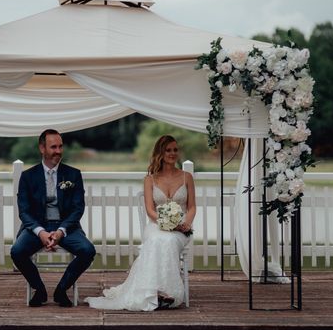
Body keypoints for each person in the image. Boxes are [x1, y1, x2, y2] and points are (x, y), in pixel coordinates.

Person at [86, 135, 195, 311]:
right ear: (160, 152)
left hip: (181, 229)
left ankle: (165, 291)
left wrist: (186, 224)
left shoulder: (186, 177)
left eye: (175, 149)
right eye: (168, 150)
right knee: (158, 239)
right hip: (156, 226)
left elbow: (191, 207)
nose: (172, 153)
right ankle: (158, 292)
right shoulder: (150, 179)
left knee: (168, 241)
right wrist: (165, 223)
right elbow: (150, 210)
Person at [11, 129, 96, 307]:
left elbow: (77, 208)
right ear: (42, 148)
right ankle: (39, 290)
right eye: (53, 147)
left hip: (66, 227)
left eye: (60, 146)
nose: (58, 151)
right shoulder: (27, 176)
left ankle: (62, 289)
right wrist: (41, 232)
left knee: (88, 250)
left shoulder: (73, 174)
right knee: (17, 252)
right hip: (36, 227)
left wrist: (61, 231)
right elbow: (24, 211)